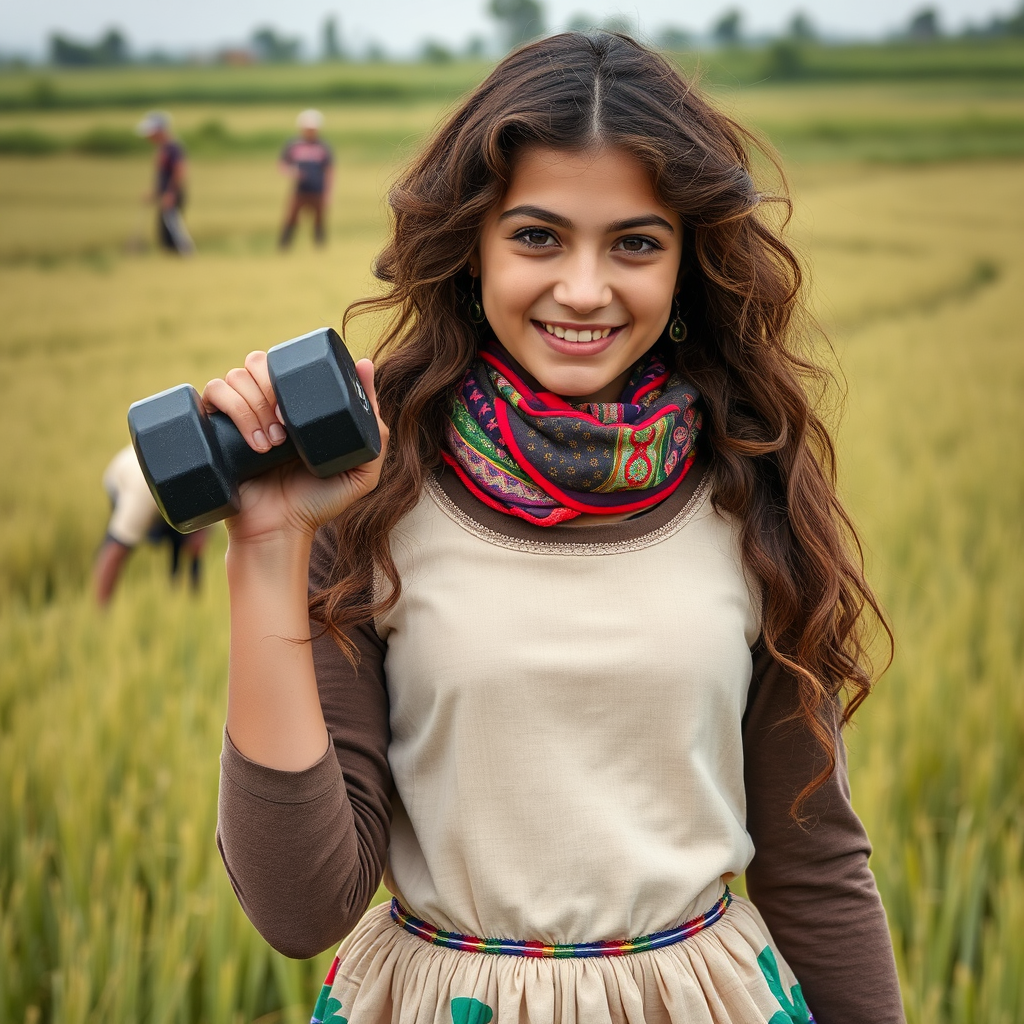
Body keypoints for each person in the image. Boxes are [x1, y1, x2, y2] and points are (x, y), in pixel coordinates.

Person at [211, 33, 904, 1024]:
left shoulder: (749, 492)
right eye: (537, 236)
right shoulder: (369, 501)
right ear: (472, 249)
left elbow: (815, 864)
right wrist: (268, 543)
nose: (583, 289)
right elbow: (300, 905)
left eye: (634, 242)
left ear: (685, 262)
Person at [94, 445, 210, 605]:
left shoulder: (207, 479)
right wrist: (100, 621)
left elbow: (198, 540)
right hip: (125, 478)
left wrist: (199, 535)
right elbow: (114, 554)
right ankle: (103, 609)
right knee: (121, 543)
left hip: (170, 486)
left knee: (187, 541)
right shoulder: (141, 497)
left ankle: (187, 599)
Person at [136, 110, 194, 255]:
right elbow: (163, 176)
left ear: (160, 131)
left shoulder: (173, 148)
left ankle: (186, 257)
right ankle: (174, 263)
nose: (148, 137)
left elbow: (180, 171)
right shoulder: (164, 148)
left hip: (172, 196)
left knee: (174, 234)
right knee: (165, 235)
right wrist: (154, 193)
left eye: (151, 132)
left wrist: (171, 193)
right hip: (165, 195)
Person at [278, 109, 334, 249]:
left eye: (313, 129)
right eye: (307, 129)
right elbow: (282, 164)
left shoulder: (323, 147)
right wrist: (292, 172)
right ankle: (284, 246)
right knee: (291, 218)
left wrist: (328, 192)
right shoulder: (294, 145)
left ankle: (320, 248)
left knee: (319, 220)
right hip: (300, 190)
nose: (310, 132)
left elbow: (329, 170)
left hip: (318, 190)